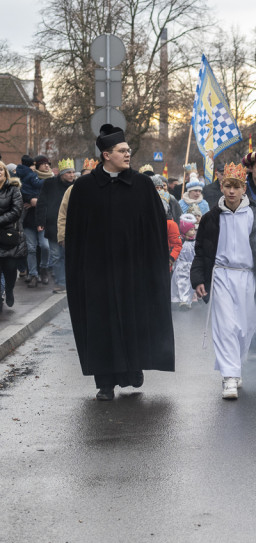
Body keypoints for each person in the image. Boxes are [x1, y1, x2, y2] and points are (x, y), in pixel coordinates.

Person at [64, 124, 175, 400]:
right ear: (106, 155)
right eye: (122, 151)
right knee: (102, 325)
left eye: (128, 150)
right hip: (97, 273)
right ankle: (105, 382)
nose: (128, 155)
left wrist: (156, 266)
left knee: (134, 319)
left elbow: (155, 230)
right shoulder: (85, 188)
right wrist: (78, 272)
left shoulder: (142, 185)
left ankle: (132, 368)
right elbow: (75, 234)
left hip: (133, 271)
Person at [191, 162, 256, 400]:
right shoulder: (210, 218)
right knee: (226, 326)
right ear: (221, 186)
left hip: (248, 276)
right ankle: (229, 377)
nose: (231, 191)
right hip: (222, 275)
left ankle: (235, 368)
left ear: (243, 189)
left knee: (246, 327)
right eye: (227, 186)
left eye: (236, 186)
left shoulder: (255, 214)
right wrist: (198, 278)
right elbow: (201, 251)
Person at [36, 159, 76, 293]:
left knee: (69, 256)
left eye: (73, 172)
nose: (71, 175)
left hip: (72, 226)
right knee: (56, 256)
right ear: (62, 174)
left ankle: (70, 282)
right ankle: (61, 283)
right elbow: (42, 203)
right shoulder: (50, 184)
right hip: (53, 225)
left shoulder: (77, 185)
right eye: (68, 173)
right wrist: (40, 221)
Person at [15, 155, 45, 287]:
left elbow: (48, 199)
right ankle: (33, 273)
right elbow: (19, 194)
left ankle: (43, 269)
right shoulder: (32, 176)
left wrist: (37, 201)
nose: (46, 166)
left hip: (42, 219)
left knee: (44, 246)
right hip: (28, 220)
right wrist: (29, 200)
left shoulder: (21, 174)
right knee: (31, 248)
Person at [0, 164, 25, 311]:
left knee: (10, 269)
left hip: (8, 236)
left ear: (5, 172)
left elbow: (16, 211)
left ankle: (9, 290)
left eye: (1, 169)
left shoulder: (13, 189)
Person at [172, 214, 197, 309]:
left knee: (189, 284)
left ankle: (188, 300)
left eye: (194, 229)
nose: (193, 231)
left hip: (191, 265)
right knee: (182, 283)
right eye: (191, 229)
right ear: (185, 231)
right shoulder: (181, 242)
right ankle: (183, 301)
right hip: (182, 266)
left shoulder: (194, 242)